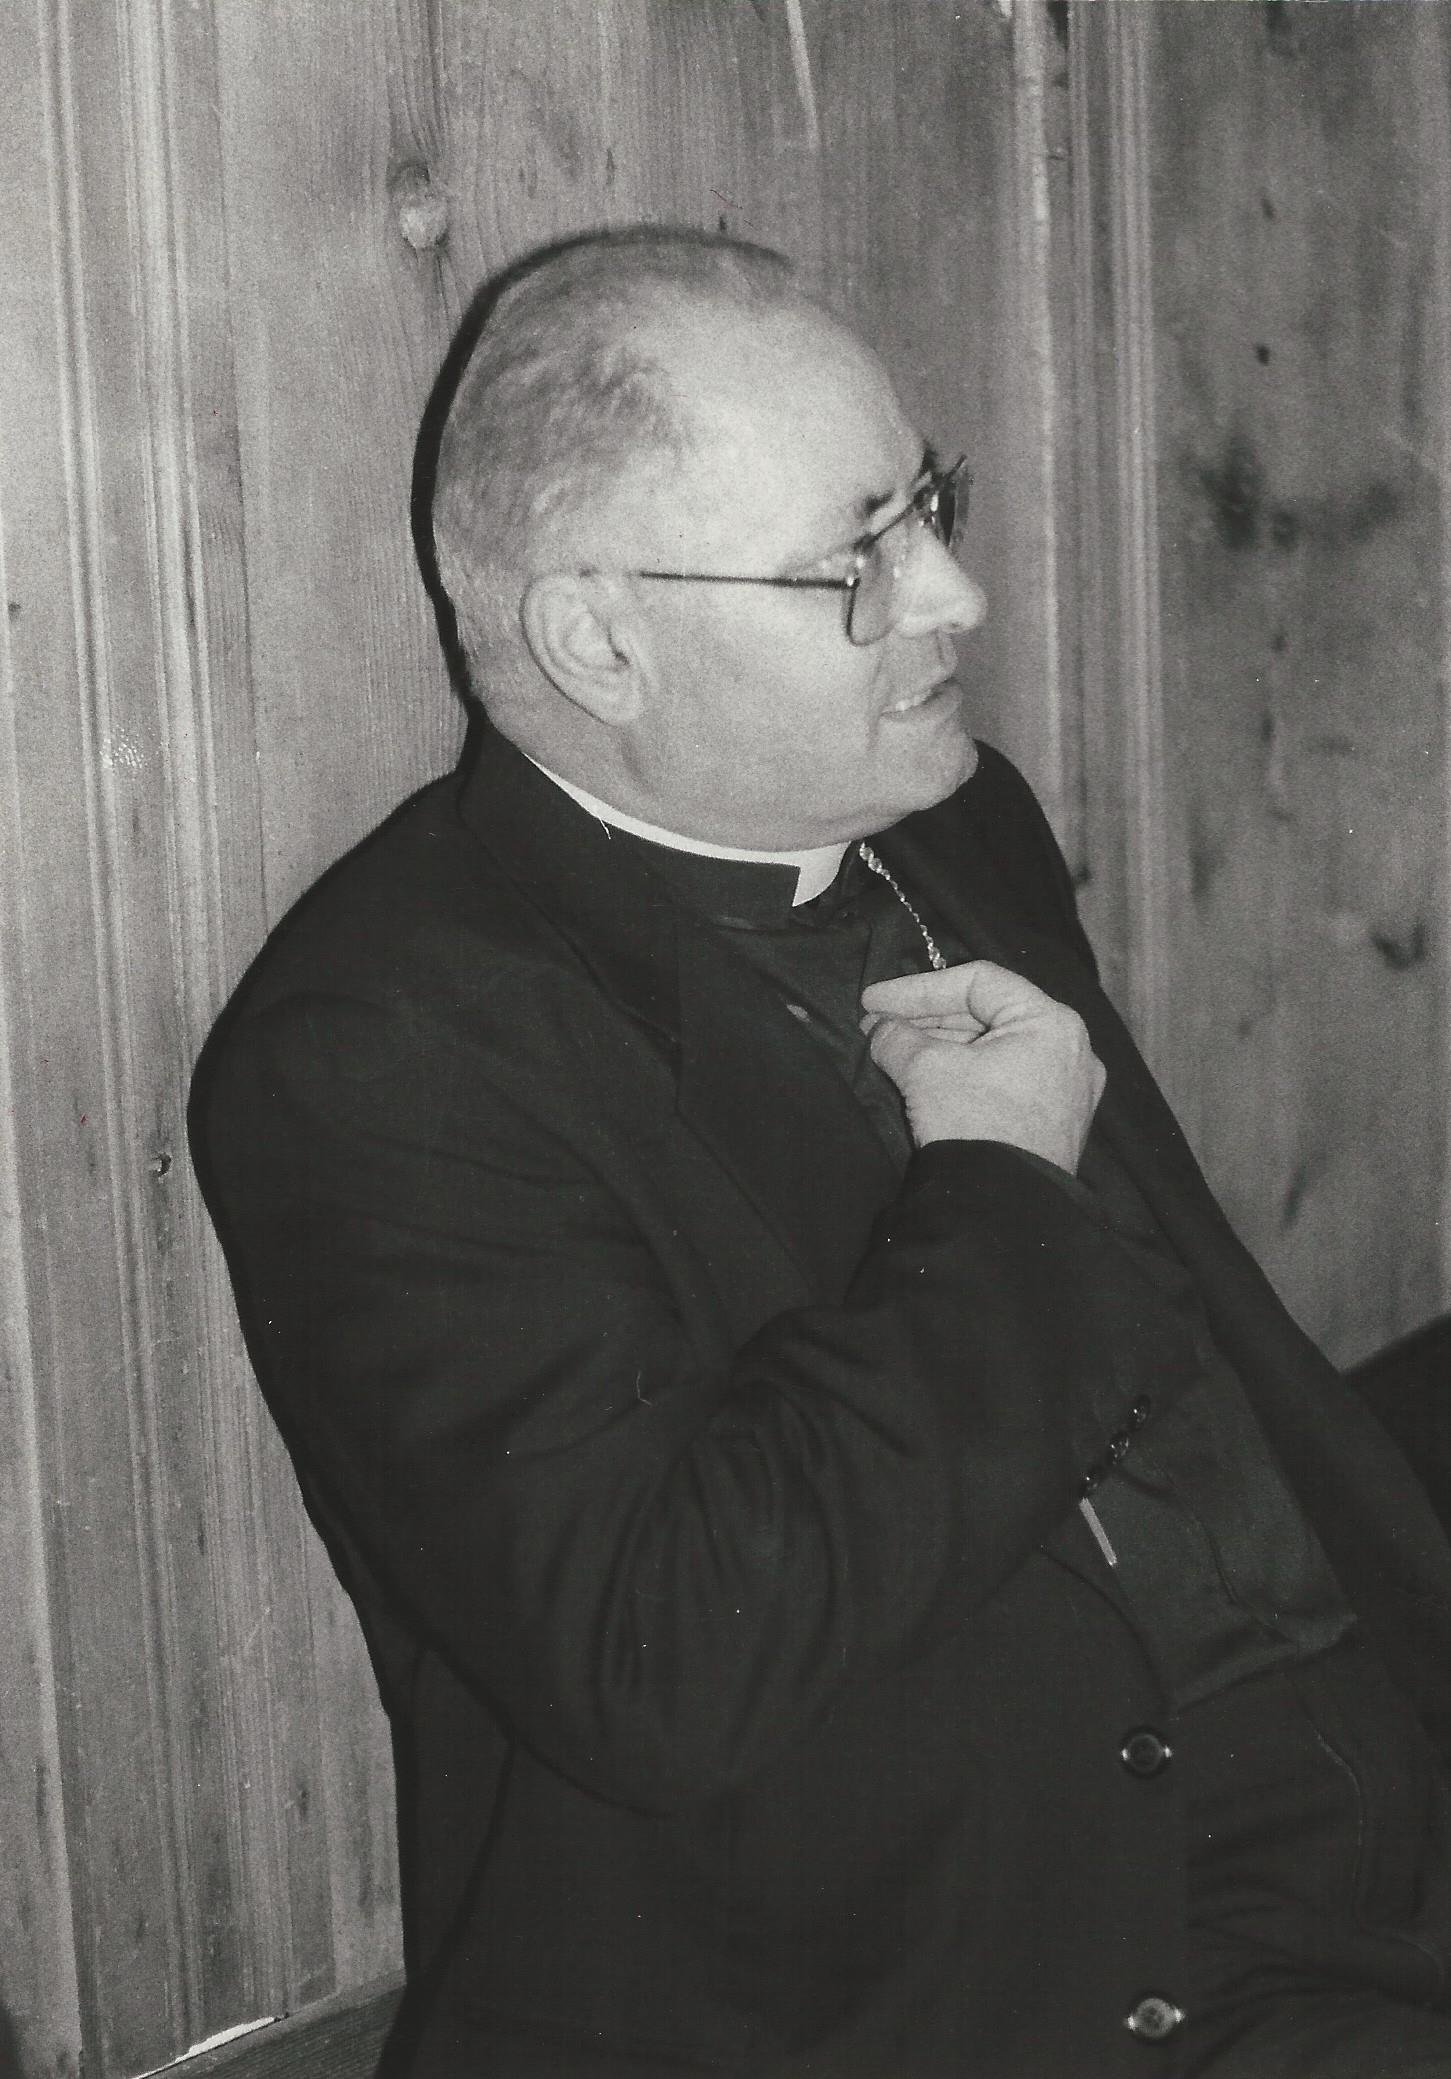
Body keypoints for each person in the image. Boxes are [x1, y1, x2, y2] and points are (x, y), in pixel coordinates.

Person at [193, 227, 1451, 2078]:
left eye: (928, 504)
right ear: (599, 640)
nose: (957, 593)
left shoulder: (950, 818)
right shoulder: (379, 1048)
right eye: (857, 556)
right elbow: (659, 1661)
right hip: (987, 1977)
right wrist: (997, 1195)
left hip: (1349, 1815)